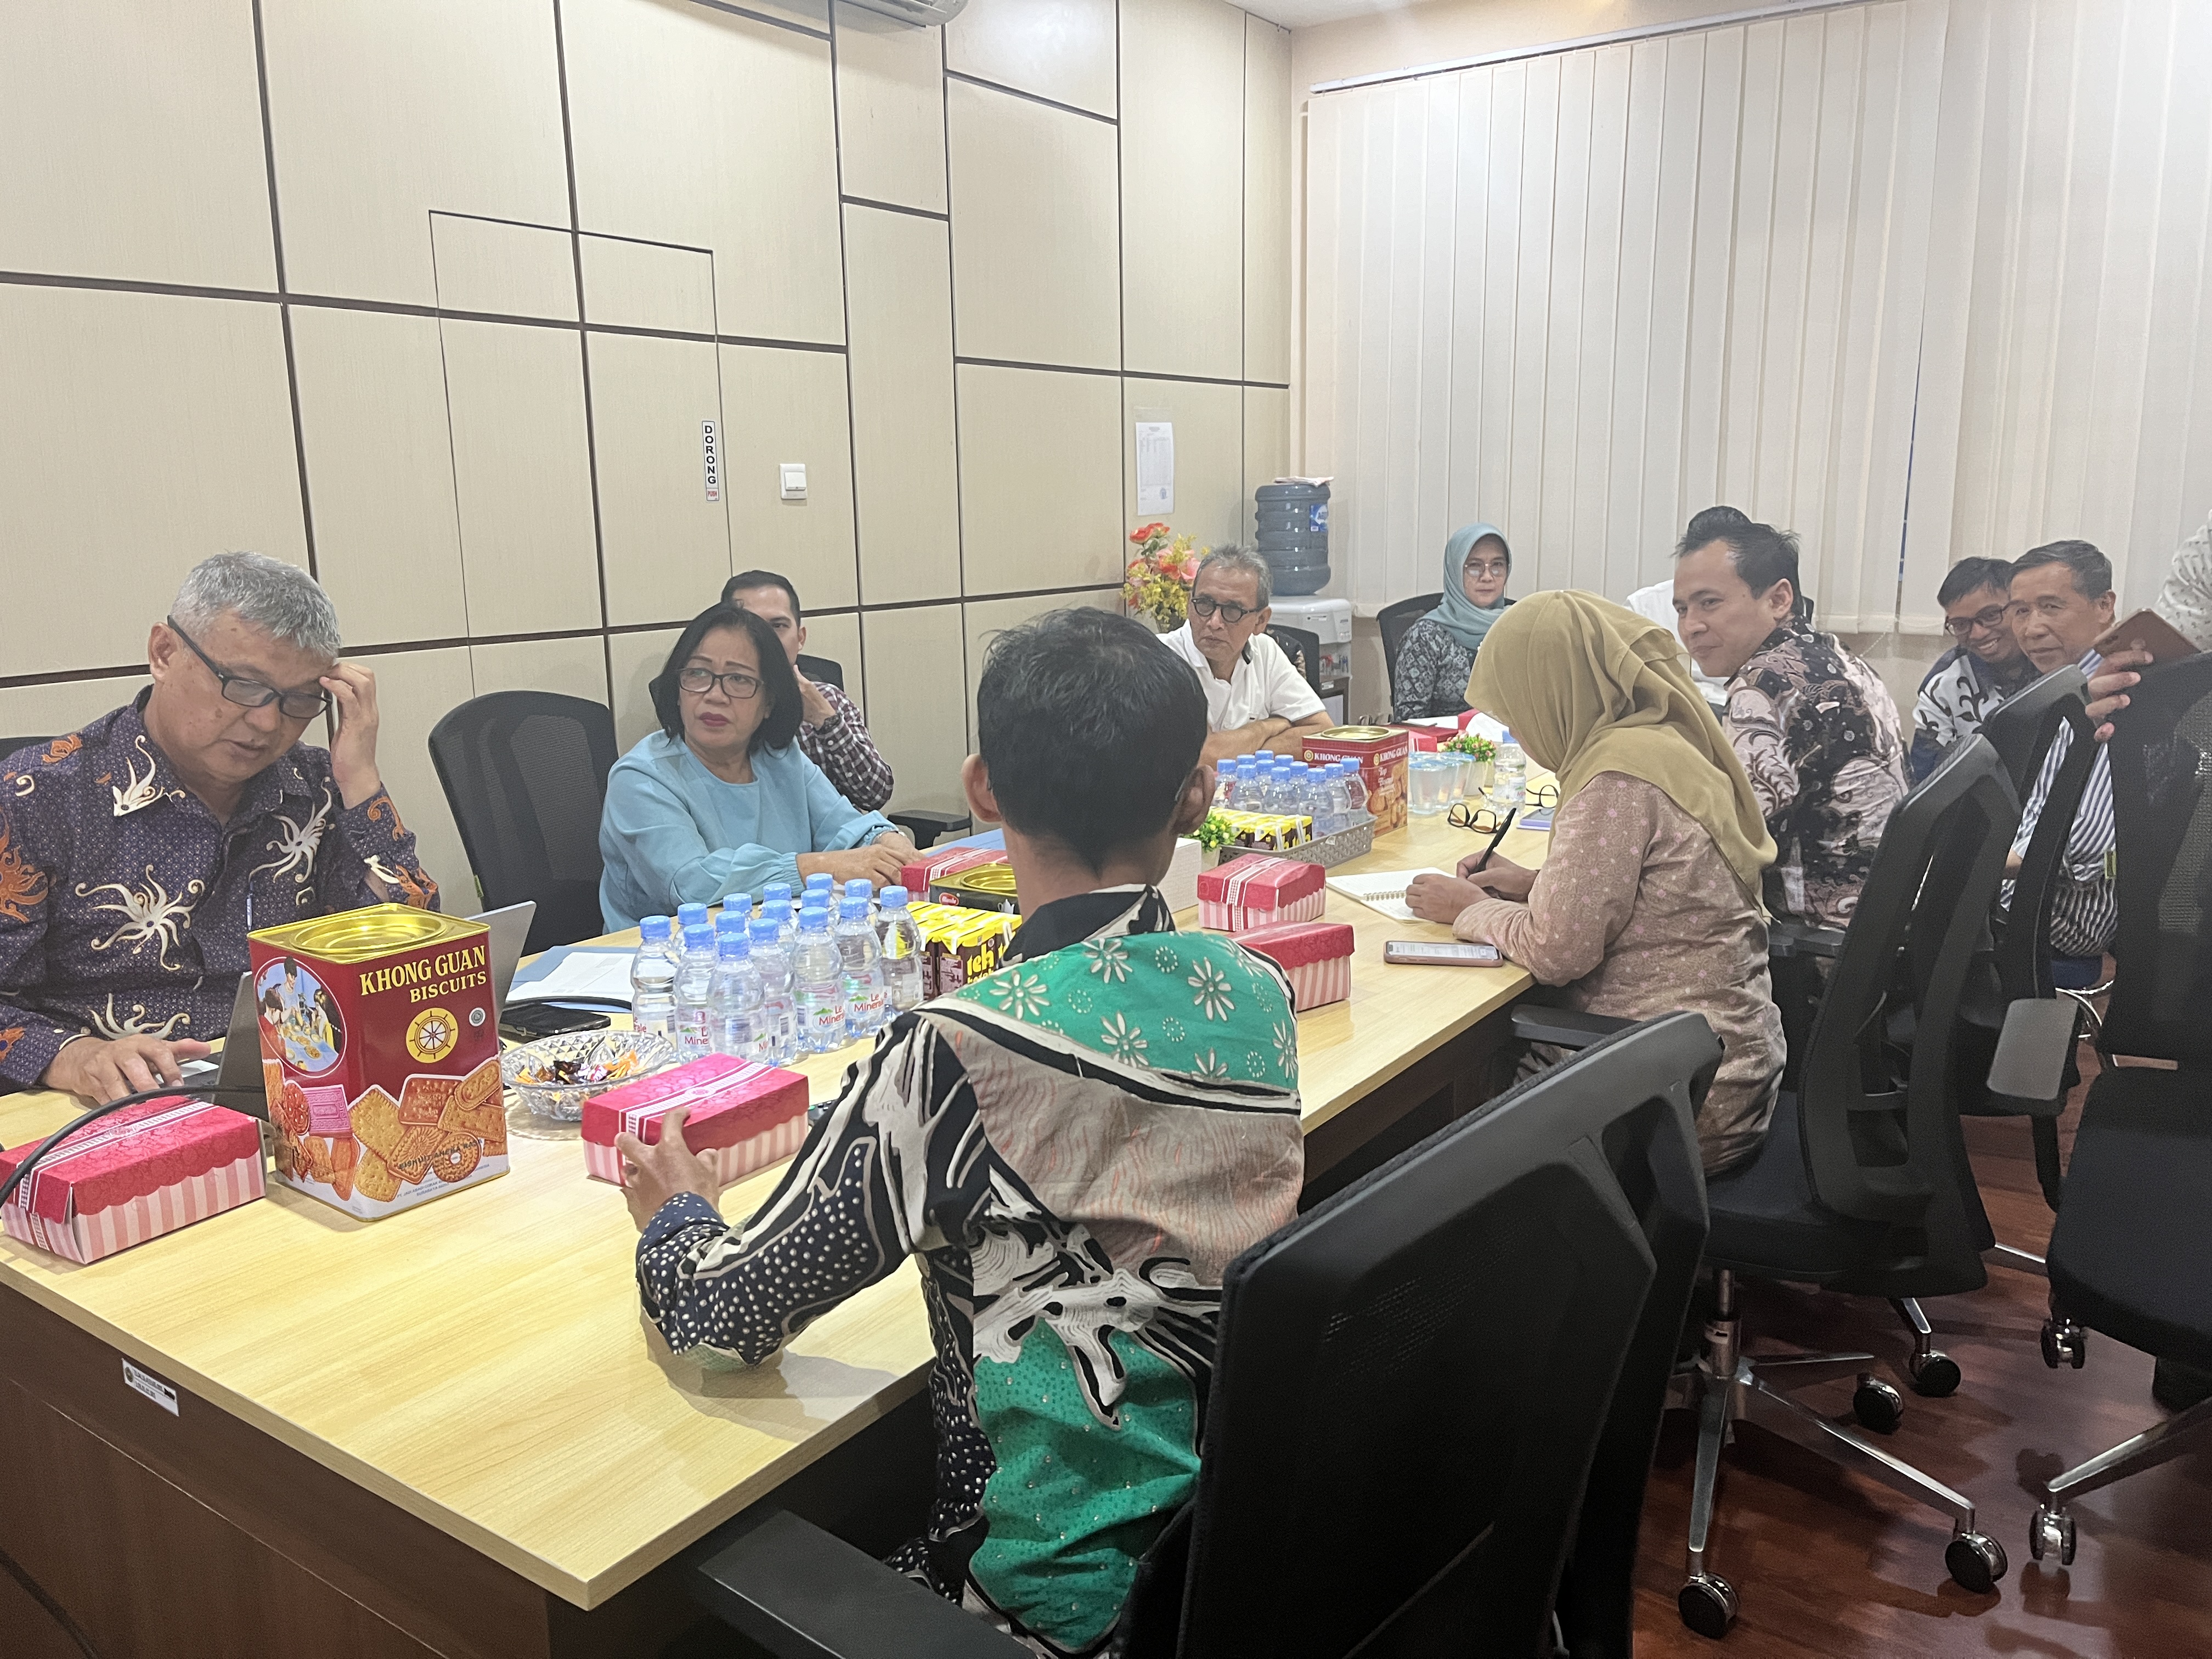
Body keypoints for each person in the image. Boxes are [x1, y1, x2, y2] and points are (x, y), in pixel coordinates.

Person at [616, 608, 1304, 1657]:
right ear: (1196, 794)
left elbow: (723, 1315)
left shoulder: (954, 1050)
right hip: (1225, 1569)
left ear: (982, 790)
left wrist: (677, 1210)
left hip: (1035, 1615)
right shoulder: (1256, 988)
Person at [0, 553, 437, 1103]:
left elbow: (414, 962)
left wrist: (361, 779)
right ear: (164, 653)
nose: (267, 722)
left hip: (299, 1086)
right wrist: (75, 1057)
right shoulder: (36, 798)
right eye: (245, 685)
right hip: (112, 1104)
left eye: (300, 699)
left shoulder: (317, 785)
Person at [1404, 592, 1783, 1174]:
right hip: (1723, 1064)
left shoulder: (1615, 778)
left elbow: (1556, 951)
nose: (1522, 734)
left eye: (1517, 716)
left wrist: (1469, 908)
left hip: (1665, 1103)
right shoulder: (1663, 741)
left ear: (1553, 696)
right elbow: (1655, 890)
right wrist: (1534, 883)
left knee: (1427, 1115)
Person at [597, 605, 915, 930]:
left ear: (769, 702)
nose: (715, 695)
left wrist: (886, 840)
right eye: (698, 674)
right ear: (677, 691)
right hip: (660, 952)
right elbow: (690, 885)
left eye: (738, 679)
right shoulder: (639, 779)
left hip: (780, 941)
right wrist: (818, 866)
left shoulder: (779, 758)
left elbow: (846, 827)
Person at [1672, 505, 1906, 929]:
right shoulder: (1831, 654)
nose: (1691, 626)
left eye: (1709, 603)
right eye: (1682, 609)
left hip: (1817, 939)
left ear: (1779, 599)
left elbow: (1729, 850)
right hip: (1882, 922)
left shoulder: (1764, 686)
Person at [2004, 540, 2119, 963]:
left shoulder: (2112, 697)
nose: (2031, 629)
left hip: (2055, 918)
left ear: (2104, 606)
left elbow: (2086, 847)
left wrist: (1965, 861)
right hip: (2019, 897)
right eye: (2020, 611)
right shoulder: (2059, 688)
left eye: (2051, 607)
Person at [721, 569, 893, 811]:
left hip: (837, 833)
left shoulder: (829, 698)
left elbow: (876, 794)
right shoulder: (713, 705)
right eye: (752, 625)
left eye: (778, 626)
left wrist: (826, 720)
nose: (765, 639)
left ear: (800, 638)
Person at [1155, 546, 1330, 762]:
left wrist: (1234, 748)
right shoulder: (1161, 659)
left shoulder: (1265, 650)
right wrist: (1266, 727)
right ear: (1189, 604)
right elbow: (1205, 756)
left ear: (1260, 621)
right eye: (1205, 604)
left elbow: (1323, 733)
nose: (1214, 622)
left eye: (1232, 611)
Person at [1910, 555, 2040, 781]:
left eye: (1990, 616)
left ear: (2020, 608)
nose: (1978, 634)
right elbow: (1926, 779)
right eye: (1961, 624)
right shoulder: (1944, 686)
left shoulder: (2054, 661)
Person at [1390, 522, 1514, 721]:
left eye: (1497, 565)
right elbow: (1409, 721)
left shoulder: (1516, 628)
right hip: (1444, 741)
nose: (1487, 577)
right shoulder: (1426, 637)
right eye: (1475, 566)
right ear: (1455, 571)